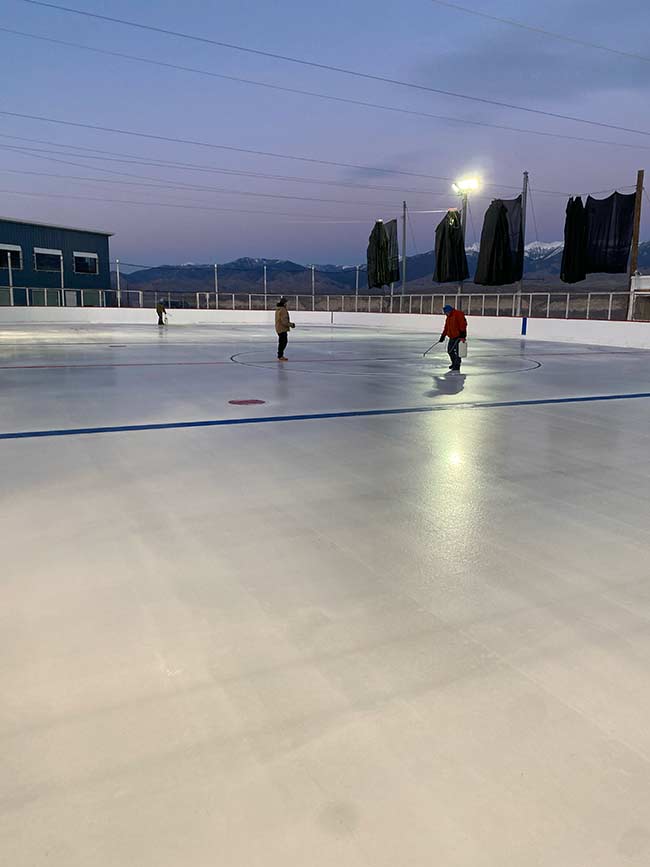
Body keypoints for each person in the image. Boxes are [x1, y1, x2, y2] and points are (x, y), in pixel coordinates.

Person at [438, 304, 467, 371]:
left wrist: (462, 335)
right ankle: (454, 363)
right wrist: (443, 336)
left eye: (446, 312)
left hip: (459, 336)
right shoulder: (448, 317)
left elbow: (463, 324)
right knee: (450, 351)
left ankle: (457, 365)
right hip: (452, 336)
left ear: (449, 310)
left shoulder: (458, 314)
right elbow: (446, 327)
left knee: (458, 352)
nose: (446, 314)